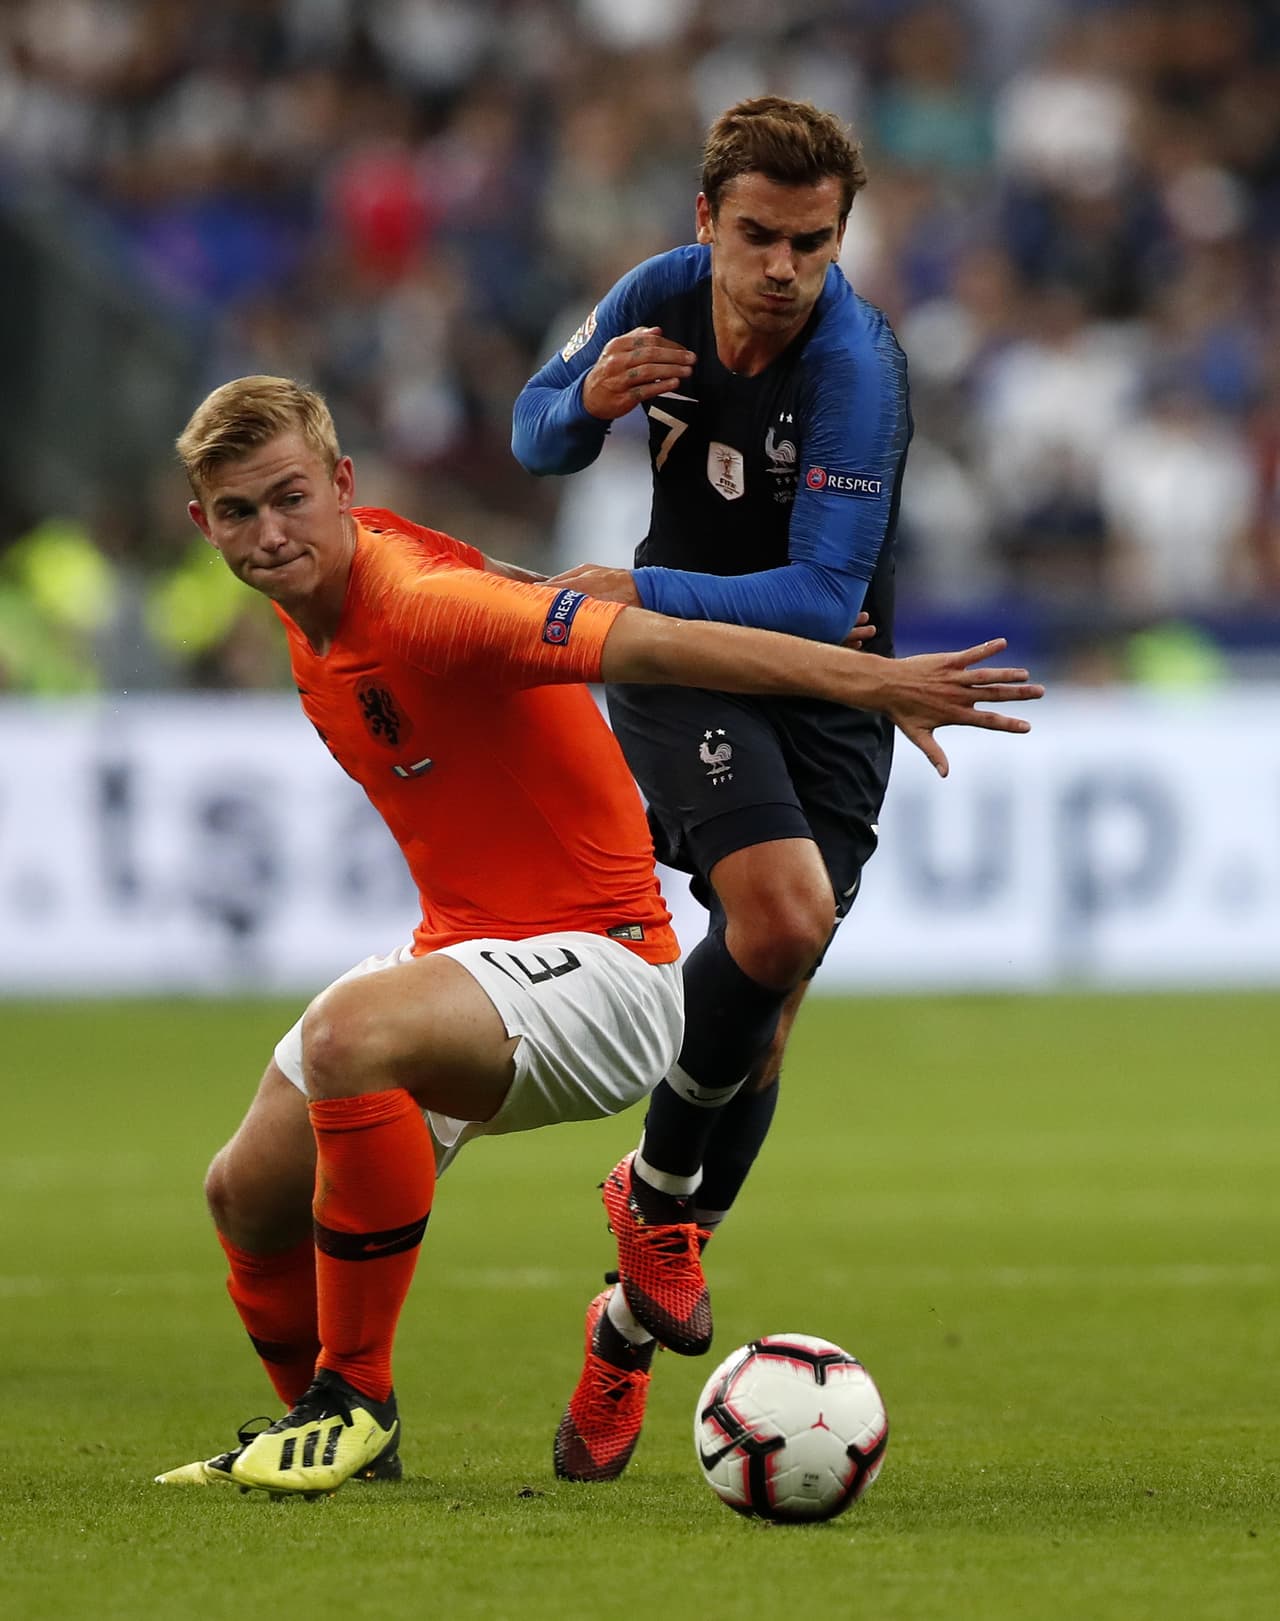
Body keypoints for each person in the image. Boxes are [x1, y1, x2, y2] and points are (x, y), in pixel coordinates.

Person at [154, 374, 1038, 1498]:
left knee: (347, 1037)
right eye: (239, 513)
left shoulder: (415, 604)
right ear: (204, 524)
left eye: (289, 499)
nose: (270, 534)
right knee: (244, 1192)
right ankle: (322, 1435)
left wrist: (872, 682)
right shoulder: (331, 592)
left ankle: (352, 1398)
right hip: (468, 954)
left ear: (341, 484)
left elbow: (653, 648)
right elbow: (516, 585)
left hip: (606, 971)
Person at [511, 96, 926, 1482]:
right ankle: (660, 1208)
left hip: (818, 686)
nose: (783, 268)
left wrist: (636, 587)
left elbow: (815, 600)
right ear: (706, 220)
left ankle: (627, 1319)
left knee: (773, 1004)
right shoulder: (655, 296)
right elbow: (531, 433)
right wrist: (588, 405)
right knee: (783, 914)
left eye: (813, 241)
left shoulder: (859, 367)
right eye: (757, 236)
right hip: (680, 668)